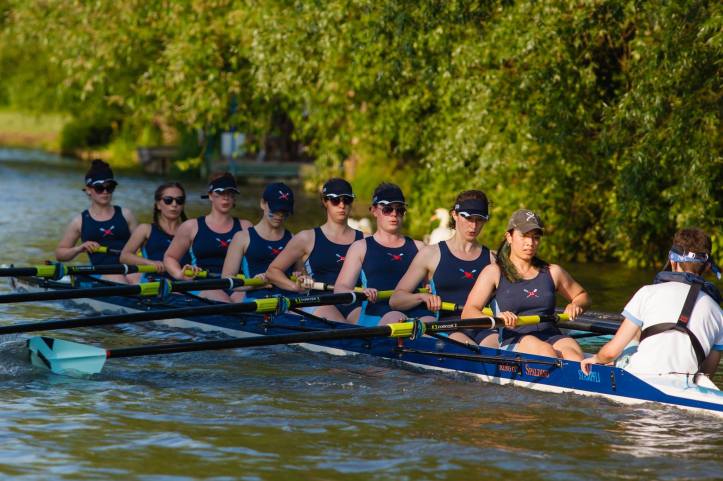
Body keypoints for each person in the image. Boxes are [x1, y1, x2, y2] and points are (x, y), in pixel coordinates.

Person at [581, 228, 722, 378]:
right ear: (707, 267)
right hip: (683, 385)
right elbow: (706, 375)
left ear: (672, 260)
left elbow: (610, 353)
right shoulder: (718, 313)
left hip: (638, 376)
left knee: (635, 331)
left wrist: (596, 359)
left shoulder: (647, 292)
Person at [461, 209, 590, 360]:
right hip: (515, 338)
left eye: (536, 237)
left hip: (551, 334)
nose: (530, 243)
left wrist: (576, 304)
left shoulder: (553, 272)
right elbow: (468, 313)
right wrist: (497, 317)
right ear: (509, 237)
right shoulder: (493, 272)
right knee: (545, 352)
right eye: (524, 236)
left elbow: (583, 296)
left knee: (574, 356)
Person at [389, 190, 497, 346]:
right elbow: (396, 300)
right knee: (472, 350)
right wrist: (421, 297)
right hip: (447, 326)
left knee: (498, 351)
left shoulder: (492, 259)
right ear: (454, 214)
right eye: (467, 218)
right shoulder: (431, 254)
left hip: (481, 325)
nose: (473, 225)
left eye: (479, 220)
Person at [266, 178, 364, 321]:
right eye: (335, 200)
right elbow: (272, 271)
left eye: (347, 200)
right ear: (325, 201)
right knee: (346, 330)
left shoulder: (365, 239)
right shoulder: (306, 238)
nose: (342, 205)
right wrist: (295, 287)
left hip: (353, 303)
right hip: (320, 301)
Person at [333, 183, 426, 325]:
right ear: (374, 210)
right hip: (376, 312)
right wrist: (359, 294)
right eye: (388, 209)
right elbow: (340, 289)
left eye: (399, 210)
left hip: (416, 310)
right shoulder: (360, 247)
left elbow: (433, 285)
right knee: (396, 318)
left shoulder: (420, 247)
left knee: (430, 323)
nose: (394, 214)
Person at [164, 173, 252, 301]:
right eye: (220, 193)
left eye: (230, 194)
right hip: (201, 284)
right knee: (221, 299)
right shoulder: (191, 226)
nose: (226, 198)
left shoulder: (246, 226)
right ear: (210, 196)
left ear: (234, 199)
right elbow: (170, 257)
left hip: (235, 285)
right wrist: (179, 274)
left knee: (249, 297)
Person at [55, 159, 138, 283]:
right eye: (99, 188)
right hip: (101, 274)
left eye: (109, 187)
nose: (105, 192)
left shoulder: (126, 215)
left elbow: (144, 248)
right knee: (118, 279)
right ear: (88, 190)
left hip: (129, 269)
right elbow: (60, 254)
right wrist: (79, 248)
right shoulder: (80, 221)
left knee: (139, 278)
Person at [221, 182, 301, 302]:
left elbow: (301, 273)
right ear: (263, 204)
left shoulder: (293, 238)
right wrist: (253, 284)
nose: (279, 215)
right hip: (256, 300)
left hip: (289, 300)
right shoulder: (242, 238)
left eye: (284, 211)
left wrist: (301, 276)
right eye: (275, 210)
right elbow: (226, 279)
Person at [119, 182, 189, 279]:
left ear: (183, 205)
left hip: (184, 282)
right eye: (168, 200)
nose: (174, 204)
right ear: (158, 205)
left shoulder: (191, 230)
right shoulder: (145, 229)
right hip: (154, 283)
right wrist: (150, 263)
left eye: (179, 200)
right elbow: (124, 256)